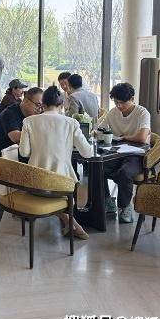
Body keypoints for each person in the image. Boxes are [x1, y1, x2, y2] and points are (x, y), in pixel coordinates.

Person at [19, 86, 93, 240]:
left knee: (47, 191)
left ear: (43, 104)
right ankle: (74, 225)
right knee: (61, 190)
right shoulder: (71, 123)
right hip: (62, 185)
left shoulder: (29, 121)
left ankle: (72, 225)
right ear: (62, 105)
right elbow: (87, 153)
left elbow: (24, 152)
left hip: (35, 183)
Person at [100, 83, 151, 224]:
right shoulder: (113, 113)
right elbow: (99, 129)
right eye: (116, 102)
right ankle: (108, 201)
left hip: (136, 155)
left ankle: (125, 206)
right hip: (116, 152)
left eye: (122, 102)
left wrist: (123, 137)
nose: (119, 106)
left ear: (132, 99)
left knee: (124, 172)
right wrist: (97, 132)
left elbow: (142, 137)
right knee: (97, 168)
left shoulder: (142, 113)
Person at [0, 87, 44, 156]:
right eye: (38, 105)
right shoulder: (9, 113)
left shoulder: (35, 114)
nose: (39, 110)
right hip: (3, 156)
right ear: (26, 101)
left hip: (21, 152)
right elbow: (16, 138)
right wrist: (42, 133)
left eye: (42, 106)